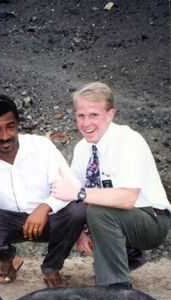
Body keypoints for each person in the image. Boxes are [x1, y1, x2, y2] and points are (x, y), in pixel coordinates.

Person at [0, 94, 86, 287]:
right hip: (6, 219)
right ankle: (9, 259)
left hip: (47, 218)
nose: (5, 136)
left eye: (10, 126)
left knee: (77, 212)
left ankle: (51, 268)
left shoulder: (41, 147)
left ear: (17, 125)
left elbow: (71, 185)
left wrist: (45, 207)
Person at [52, 81, 171, 289]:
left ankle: (116, 289)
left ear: (110, 114)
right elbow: (74, 194)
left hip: (152, 219)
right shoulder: (82, 148)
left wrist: (78, 193)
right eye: (81, 115)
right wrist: (80, 230)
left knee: (99, 212)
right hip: (120, 219)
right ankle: (128, 256)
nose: (86, 123)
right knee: (90, 210)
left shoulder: (128, 141)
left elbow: (126, 199)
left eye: (94, 115)